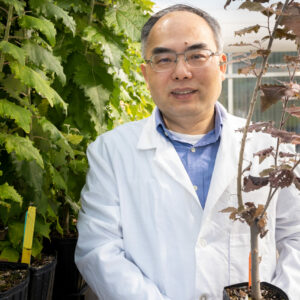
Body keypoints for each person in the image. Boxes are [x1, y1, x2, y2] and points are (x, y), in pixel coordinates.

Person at [75, 4, 300, 300]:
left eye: (196, 56)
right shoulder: (111, 151)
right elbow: (99, 249)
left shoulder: (269, 147)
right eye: (164, 59)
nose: (181, 72)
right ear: (146, 73)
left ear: (222, 65)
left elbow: (295, 236)